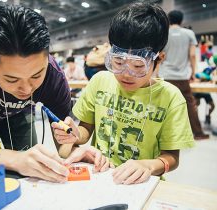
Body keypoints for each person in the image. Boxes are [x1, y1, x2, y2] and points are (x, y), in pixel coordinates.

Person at [0, 5, 108, 182]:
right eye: (12, 79)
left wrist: (74, 149)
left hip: (19, 115)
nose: (27, 90)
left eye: (36, 75)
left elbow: (63, 147)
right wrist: (11, 158)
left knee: (32, 166)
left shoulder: (54, 77)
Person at [52, 2, 195, 185]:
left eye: (137, 66)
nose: (126, 74)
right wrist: (74, 135)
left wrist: (148, 166)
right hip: (101, 175)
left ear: (159, 59)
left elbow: (172, 157)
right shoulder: (100, 81)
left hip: (141, 183)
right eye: (118, 62)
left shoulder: (171, 98)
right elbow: (86, 130)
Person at [158, 10, 209, 140]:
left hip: (165, 75)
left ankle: (161, 135)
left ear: (168, 20)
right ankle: (198, 133)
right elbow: (192, 54)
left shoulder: (164, 34)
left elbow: (159, 56)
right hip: (182, 76)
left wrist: (156, 73)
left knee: (163, 104)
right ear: (181, 20)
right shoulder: (189, 33)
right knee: (190, 104)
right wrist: (194, 71)